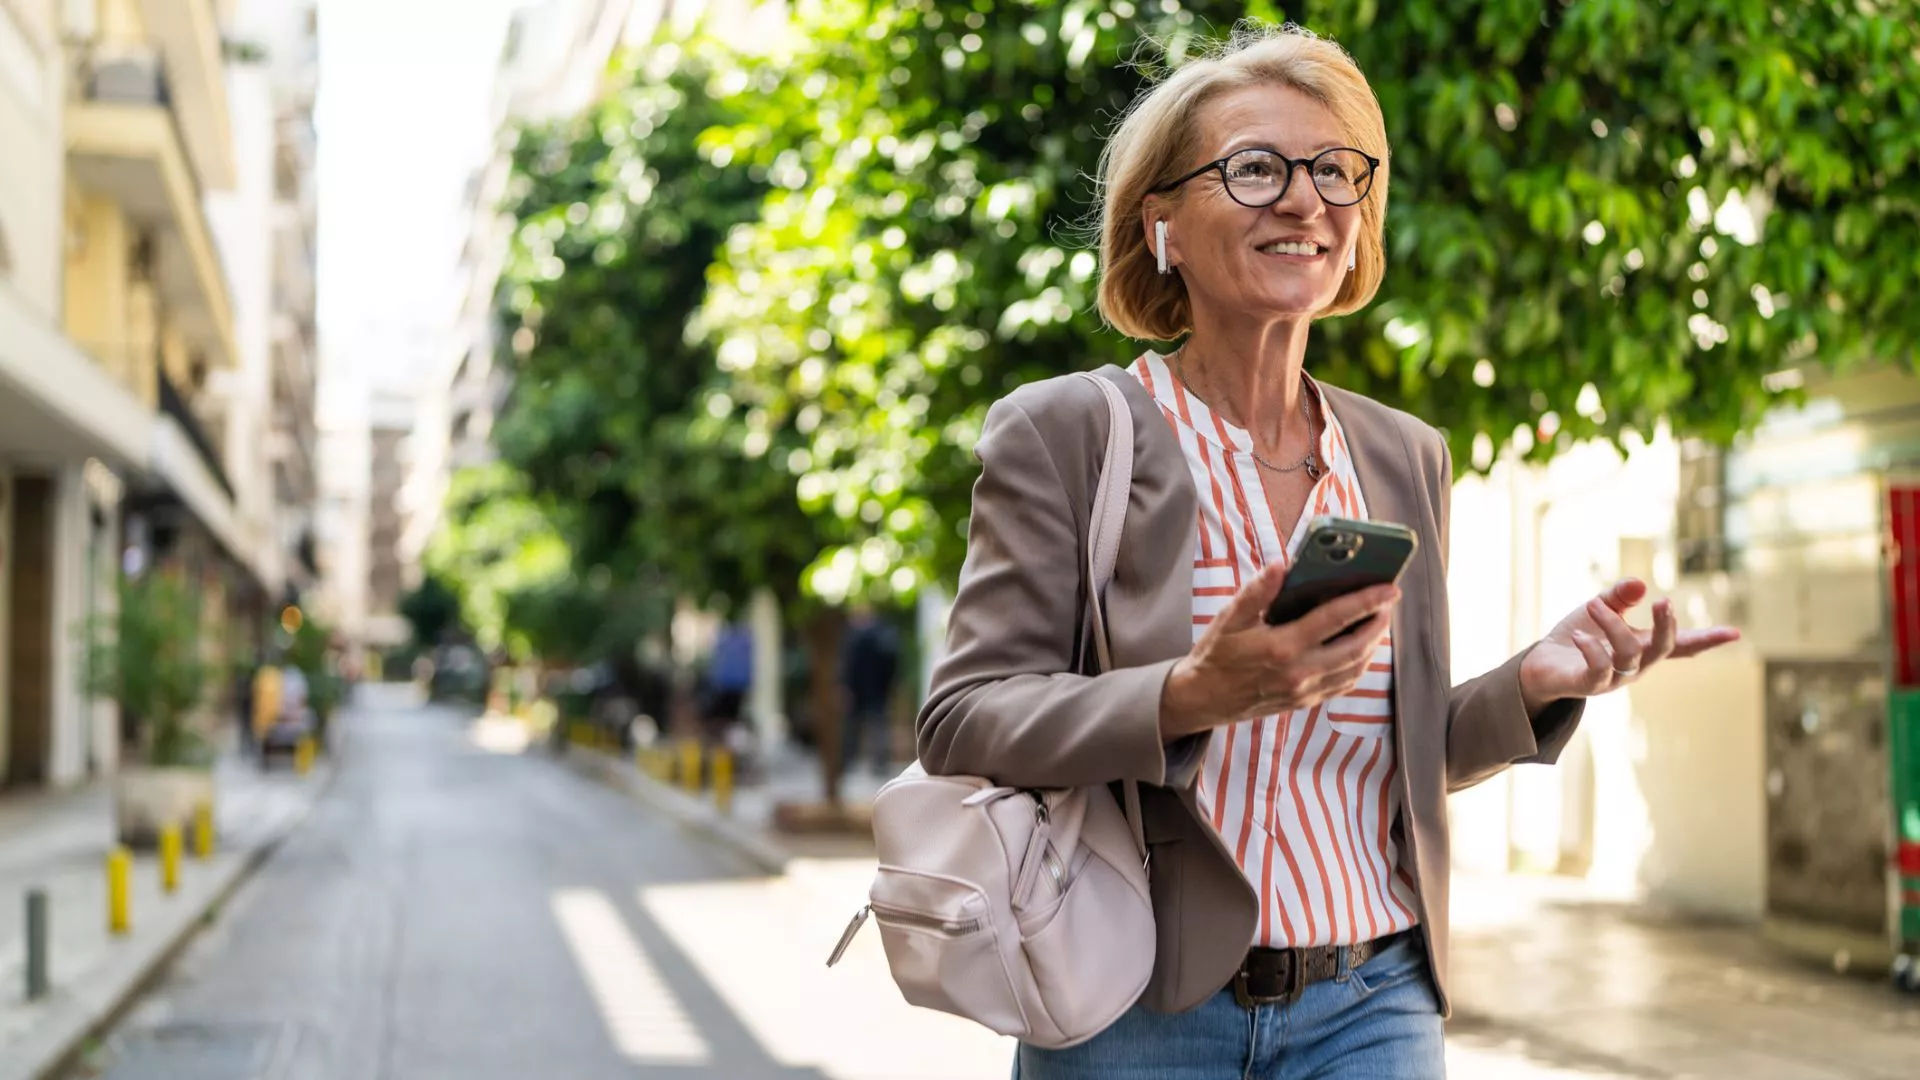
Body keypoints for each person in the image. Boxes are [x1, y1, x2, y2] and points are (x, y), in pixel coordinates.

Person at [914, 25, 1739, 1080]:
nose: (1305, 200)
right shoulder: (1068, 433)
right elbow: (963, 717)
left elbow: (1393, 758)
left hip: (1373, 999)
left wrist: (1535, 683)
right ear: (1159, 221)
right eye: (1255, 168)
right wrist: (1187, 695)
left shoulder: (1402, 456)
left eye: (1337, 172)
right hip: (1136, 1009)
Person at [837, 604, 901, 776]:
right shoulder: (881, 634)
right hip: (875, 690)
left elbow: (847, 665)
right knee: (873, 727)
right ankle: (873, 763)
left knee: (863, 727)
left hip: (865, 689)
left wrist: (846, 686)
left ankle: (851, 762)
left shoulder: (855, 636)